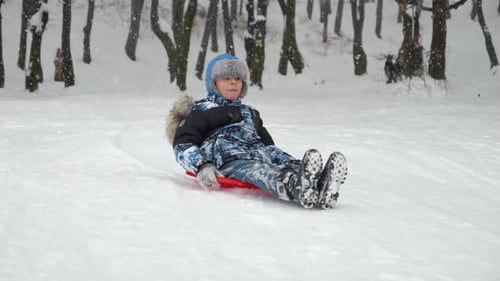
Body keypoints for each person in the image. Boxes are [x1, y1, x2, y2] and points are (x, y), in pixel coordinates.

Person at [166, 54, 348, 209]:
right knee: (259, 171)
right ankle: (295, 187)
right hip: (230, 162)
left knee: (273, 165)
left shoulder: (250, 113)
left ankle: (320, 184)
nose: (233, 82)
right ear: (213, 84)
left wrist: (292, 162)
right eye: (226, 78)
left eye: (237, 79)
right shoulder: (202, 110)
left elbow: (267, 147)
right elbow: (183, 144)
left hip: (257, 156)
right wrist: (201, 166)